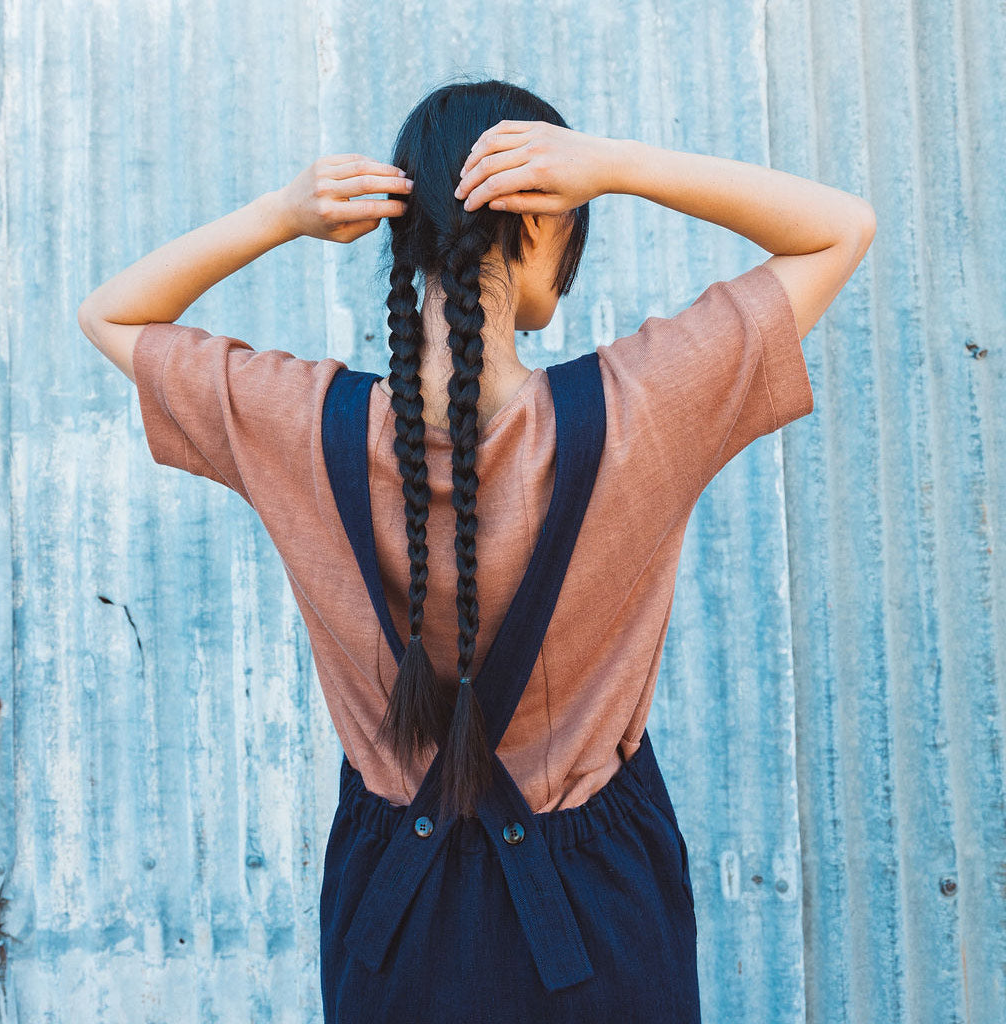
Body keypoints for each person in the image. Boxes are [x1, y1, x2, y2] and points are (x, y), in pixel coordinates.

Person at [78, 77, 875, 1023]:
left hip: (394, 913)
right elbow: (842, 228)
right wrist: (619, 166)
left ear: (400, 235)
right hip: (599, 911)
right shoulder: (641, 407)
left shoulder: (298, 426)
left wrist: (281, 214)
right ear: (541, 223)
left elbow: (112, 316)